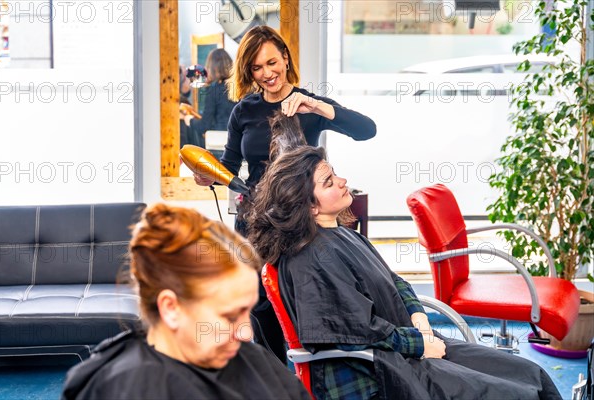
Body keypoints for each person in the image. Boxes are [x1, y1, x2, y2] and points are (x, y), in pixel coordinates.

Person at [248, 145, 563, 400]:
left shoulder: (346, 233)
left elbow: (394, 282)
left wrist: (419, 318)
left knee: (527, 373)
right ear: (309, 206)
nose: (342, 181)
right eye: (329, 182)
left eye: (335, 174)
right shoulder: (309, 261)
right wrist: (420, 344)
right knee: (509, 392)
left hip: (405, 344)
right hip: (375, 372)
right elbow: (357, 332)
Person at [193, 25, 377, 363]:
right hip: (255, 223)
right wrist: (211, 178)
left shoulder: (308, 104)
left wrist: (318, 107)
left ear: (286, 59)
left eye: (272, 63)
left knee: (306, 299)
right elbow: (230, 165)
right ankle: (274, 374)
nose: (266, 74)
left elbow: (367, 130)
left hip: (301, 224)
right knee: (260, 306)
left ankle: (319, 369)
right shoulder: (243, 111)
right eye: (257, 68)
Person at [61, 204, 310, 400]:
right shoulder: (123, 387)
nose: (246, 333)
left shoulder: (254, 360)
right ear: (171, 308)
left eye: (248, 311)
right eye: (230, 316)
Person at [186, 49, 238, 150]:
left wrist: (189, 120)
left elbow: (204, 125)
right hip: (240, 145)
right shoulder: (240, 87)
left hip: (221, 147)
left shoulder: (213, 90)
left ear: (213, 68)